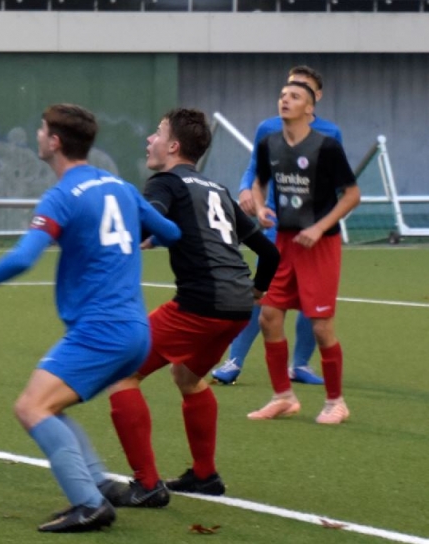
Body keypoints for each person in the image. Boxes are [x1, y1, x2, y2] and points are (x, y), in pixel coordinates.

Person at [0, 104, 181, 534]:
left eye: (42, 130)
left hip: (101, 331)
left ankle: (89, 504)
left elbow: (23, 258)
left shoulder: (61, 196)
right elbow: (172, 232)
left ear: (55, 142)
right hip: (135, 331)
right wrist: (137, 238)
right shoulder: (120, 186)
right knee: (50, 405)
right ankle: (98, 483)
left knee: (31, 407)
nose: (38, 135)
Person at [105, 109, 279, 507]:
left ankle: (147, 485)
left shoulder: (165, 182)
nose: (149, 139)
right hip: (237, 307)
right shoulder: (216, 188)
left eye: (157, 133)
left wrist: (128, 234)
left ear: (173, 146)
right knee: (187, 376)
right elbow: (269, 253)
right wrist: (255, 291)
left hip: (201, 304)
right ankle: (205, 476)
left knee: (121, 372)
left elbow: (152, 219)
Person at [213, 66, 343, 386]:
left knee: (312, 304)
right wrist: (247, 191)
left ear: (315, 98)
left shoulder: (330, 133)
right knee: (263, 294)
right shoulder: (268, 128)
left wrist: (322, 221)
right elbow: (254, 169)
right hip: (276, 228)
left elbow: (339, 184)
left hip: (313, 233)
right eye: (288, 88)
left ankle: (300, 366)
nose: (289, 96)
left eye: (301, 89)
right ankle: (234, 360)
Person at [247, 80, 359, 424]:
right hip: (285, 242)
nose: (285, 100)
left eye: (294, 96)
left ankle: (336, 402)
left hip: (319, 246)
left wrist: (320, 227)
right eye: (282, 95)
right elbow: (258, 182)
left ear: (309, 108)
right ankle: (283, 396)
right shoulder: (269, 143)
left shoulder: (326, 146)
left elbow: (352, 195)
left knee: (321, 326)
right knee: (269, 316)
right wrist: (261, 207)